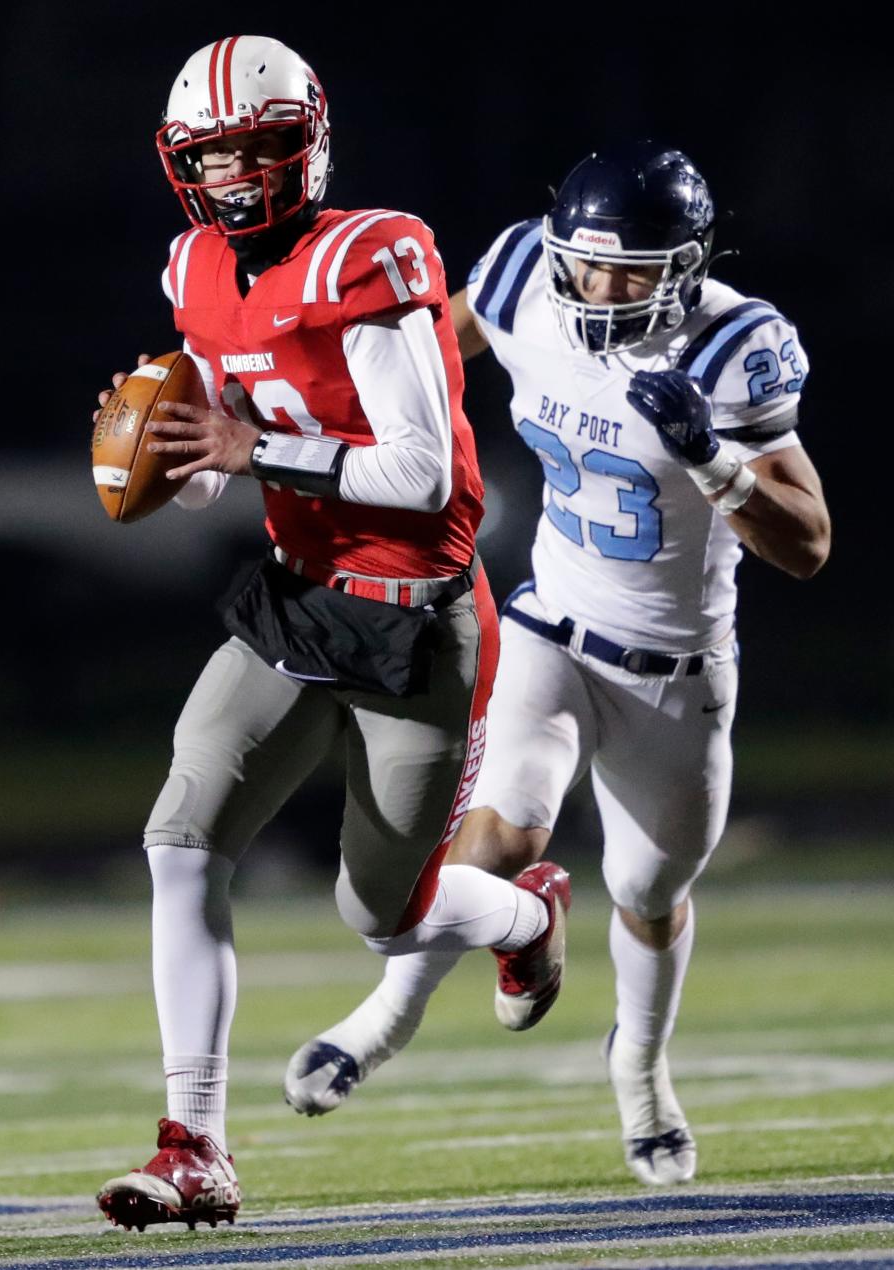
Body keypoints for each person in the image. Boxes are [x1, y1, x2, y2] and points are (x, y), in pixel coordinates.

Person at [94, 35, 573, 1231]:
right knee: (182, 834)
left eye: (260, 147)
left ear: (306, 141)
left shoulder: (374, 251)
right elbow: (222, 449)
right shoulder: (194, 265)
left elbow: (420, 475)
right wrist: (176, 457)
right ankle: (193, 1142)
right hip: (300, 595)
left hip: (417, 620)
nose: (239, 174)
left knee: (385, 913)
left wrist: (255, 450)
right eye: (214, 154)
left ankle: (527, 913)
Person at [283, 143, 832, 1185]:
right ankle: (379, 1025)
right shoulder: (524, 275)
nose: (603, 287)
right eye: (589, 264)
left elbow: (808, 543)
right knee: (496, 839)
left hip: (678, 668)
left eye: (635, 270)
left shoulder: (733, 344)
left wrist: (714, 459)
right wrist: (298, 415)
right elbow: (421, 353)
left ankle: (640, 1068)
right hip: (548, 626)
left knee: (650, 888)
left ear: (685, 264)